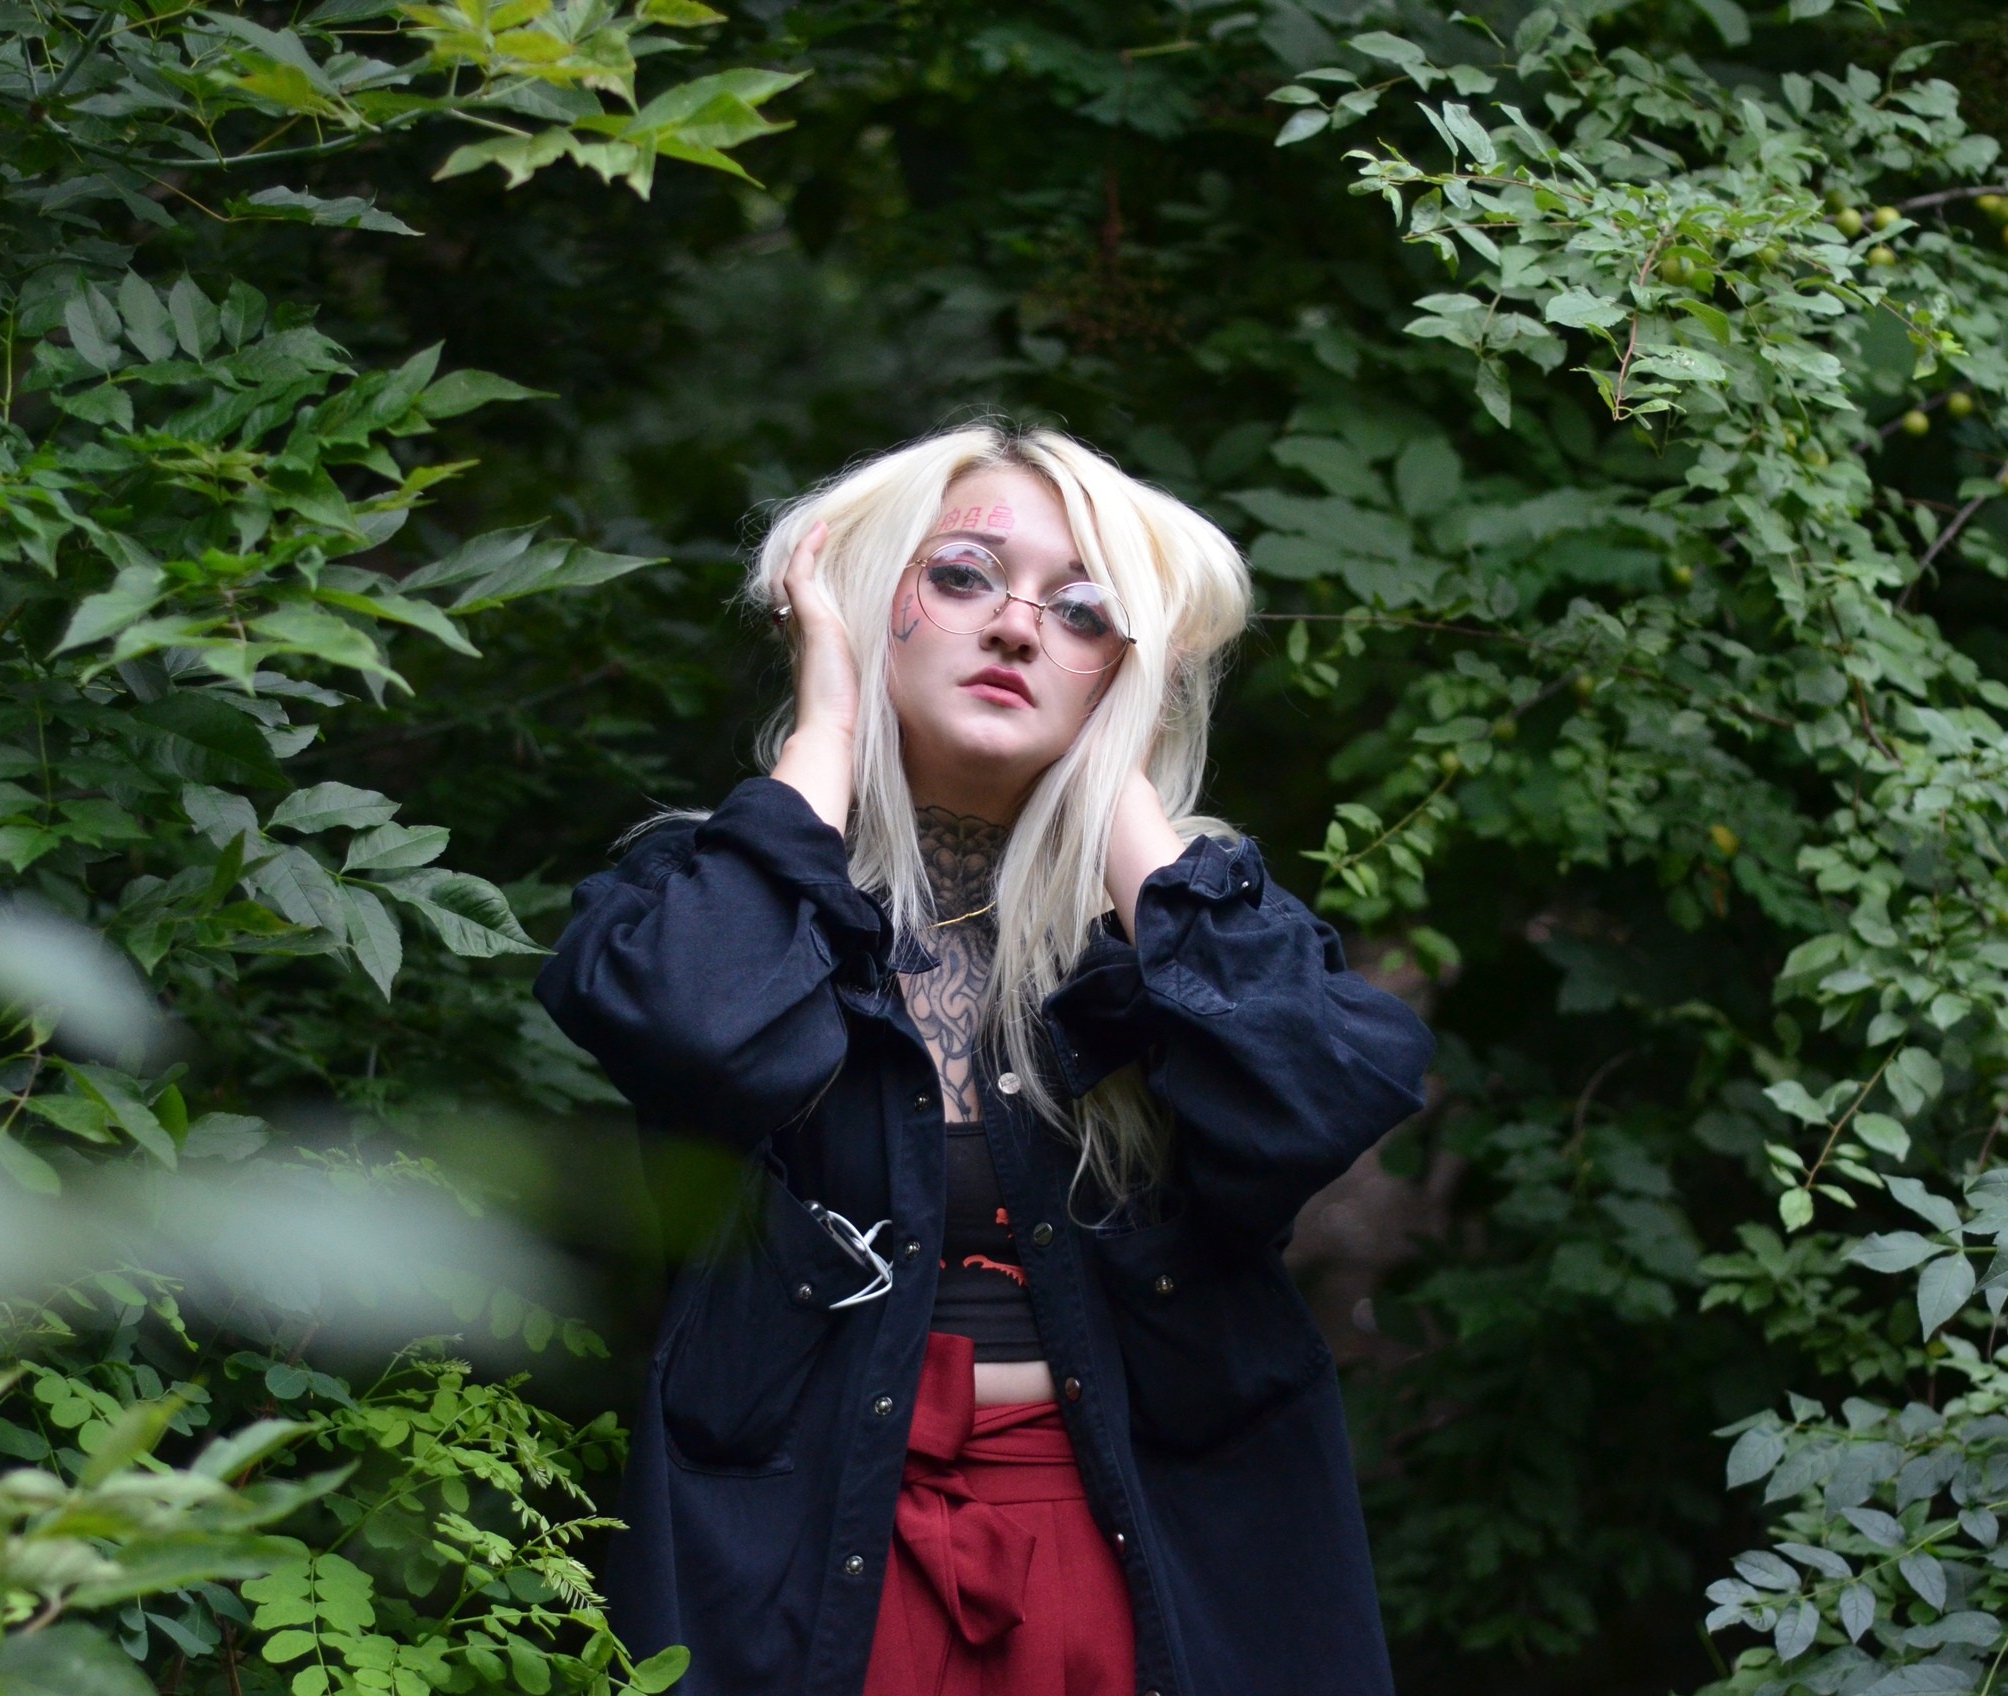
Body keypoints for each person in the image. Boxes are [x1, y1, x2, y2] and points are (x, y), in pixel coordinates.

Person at [534, 424, 1435, 1696]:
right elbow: (695, 1027)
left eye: (1086, 613)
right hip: (806, 1557)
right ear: (865, 610)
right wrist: (828, 724)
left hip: (1134, 1556)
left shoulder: (1186, 925)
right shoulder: (717, 896)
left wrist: (1121, 783)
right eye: (962, 576)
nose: (1017, 628)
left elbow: (1319, 1096)